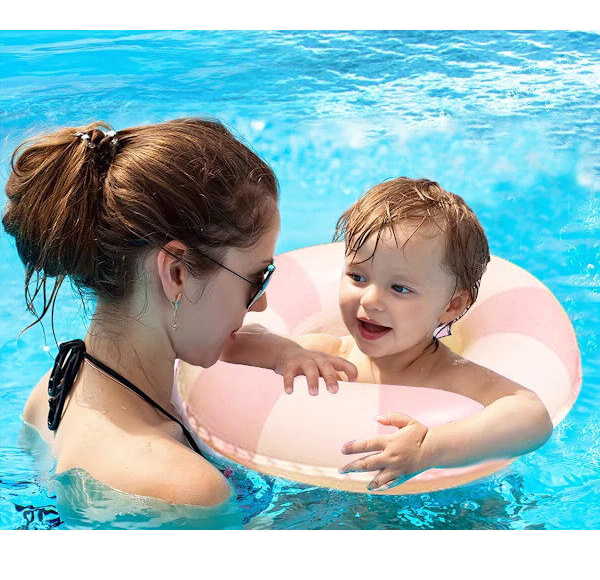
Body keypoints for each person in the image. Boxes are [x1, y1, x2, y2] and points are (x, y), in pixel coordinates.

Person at [2, 118, 357, 506]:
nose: (261, 304)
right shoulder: (183, 488)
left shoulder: (50, 392)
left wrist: (277, 348)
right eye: (257, 278)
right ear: (176, 273)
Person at [221, 177, 554, 491]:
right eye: (358, 276)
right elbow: (233, 345)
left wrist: (431, 448)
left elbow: (533, 415)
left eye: (400, 288)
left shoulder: (454, 378)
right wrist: (285, 353)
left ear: (452, 306)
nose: (370, 300)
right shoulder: (330, 354)